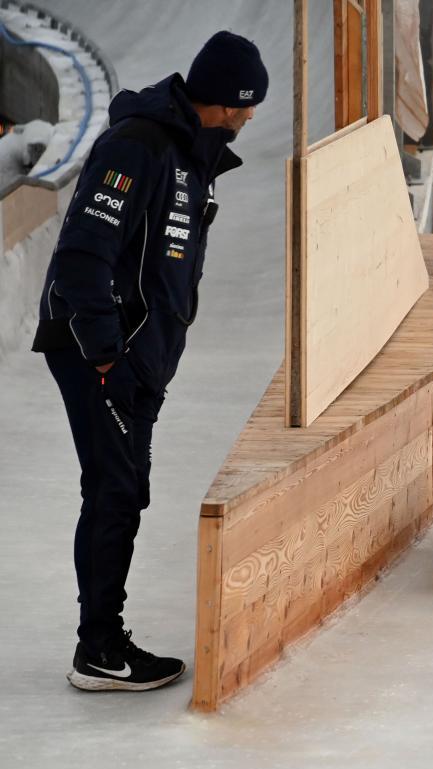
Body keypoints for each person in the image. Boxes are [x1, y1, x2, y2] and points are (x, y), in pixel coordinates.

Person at [31, 31, 268, 692]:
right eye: (247, 104)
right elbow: (83, 255)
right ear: (225, 97)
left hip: (136, 357)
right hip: (98, 353)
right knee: (113, 491)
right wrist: (110, 357)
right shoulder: (138, 147)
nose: (250, 118)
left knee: (123, 489)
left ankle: (102, 641)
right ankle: (99, 650)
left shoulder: (191, 157)